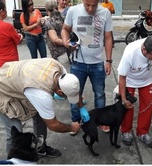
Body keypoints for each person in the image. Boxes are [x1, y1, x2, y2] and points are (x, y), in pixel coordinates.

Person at [0, 58, 83, 157]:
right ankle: (12, 161)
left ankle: (40, 148)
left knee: (40, 116)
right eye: (66, 96)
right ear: (60, 92)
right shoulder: (42, 94)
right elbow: (53, 125)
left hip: (20, 83)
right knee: (15, 132)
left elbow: (73, 89)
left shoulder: (61, 72)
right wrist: (71, 127)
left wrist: (81, 108)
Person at [61, 0, 113, 134]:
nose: (90, 9)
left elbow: (108, 37)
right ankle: (76, 121)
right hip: (78, 63)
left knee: (100, 94)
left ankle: (101, 121)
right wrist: (67, 43)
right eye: (87, 5)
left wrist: (108, 60)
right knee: (75, 93)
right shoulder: (73, 11)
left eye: (94, 5)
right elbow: (65, 29)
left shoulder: (105, 13)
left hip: (97, 64)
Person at [117, 35, 152, 148]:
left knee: (148, 106)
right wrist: (124, 99)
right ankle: (126, 131)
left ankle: (142, 132)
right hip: (129, 80)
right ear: (144, 50)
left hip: (147, 79)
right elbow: (122, 77)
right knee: (127, 106)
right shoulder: (130, 53)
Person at [0, 0, 23, 74]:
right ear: (1, 11)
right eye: (5, 9)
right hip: (9, 65)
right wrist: (21, 35)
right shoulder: (7, 26)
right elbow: (18, 40)